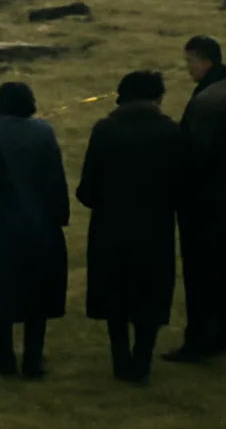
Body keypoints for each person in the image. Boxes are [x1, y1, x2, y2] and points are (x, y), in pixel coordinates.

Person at [76, 71, 185, 383]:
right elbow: (183, 185)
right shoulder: (171, 132)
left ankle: (120, 359)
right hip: (155, 228)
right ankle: (143, 360)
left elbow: (87, 190)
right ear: (157, 97)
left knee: (115, 295)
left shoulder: (105, 130)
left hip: (111, 227)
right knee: (149, 294)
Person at [0, 81, 70, 378]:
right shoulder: (45, 132)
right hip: (42, 226)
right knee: (38, 292)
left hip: (3, 227)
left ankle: (5, 358)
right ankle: (33, 359)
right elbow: (56, 178)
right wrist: (60, 215)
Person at [164, 36, 226, 363]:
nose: (188, 70)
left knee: (201, 277)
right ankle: (225, 336)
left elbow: (193, 157)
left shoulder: (206, 103)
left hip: (207, 207)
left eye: (189, 63)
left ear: (204, 61)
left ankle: (199, 341)